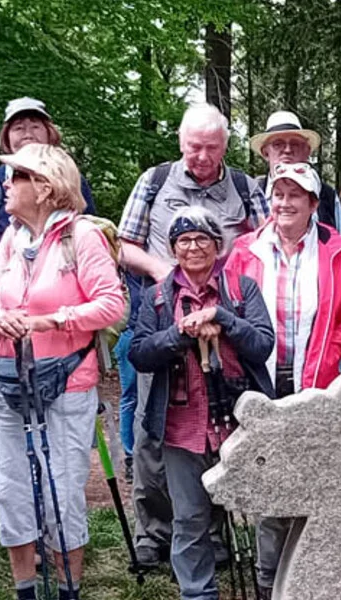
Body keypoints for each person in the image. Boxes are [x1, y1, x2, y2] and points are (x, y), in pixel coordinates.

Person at [117, 103, 270, 571]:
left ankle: (213, 532)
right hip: (162, 316)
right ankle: (155, 532)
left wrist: (224, 299)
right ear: (181, 143)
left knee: (219, 429)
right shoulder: (155, 180)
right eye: (194, 146)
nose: (202, 156)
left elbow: (265, 241)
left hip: (223, 321)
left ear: (226, 145)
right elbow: (124, 244)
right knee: (154, 429)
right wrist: (170, 274)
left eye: (212, 147)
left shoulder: (244, 187)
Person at [0, 143, 126, 600]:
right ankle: (25, 591)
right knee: (12, 493)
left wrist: (52, 319)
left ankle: (67, 591)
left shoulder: (82, 238)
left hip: (66, 384)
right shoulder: (10, 239)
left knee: (62, 494)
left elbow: (113, 304)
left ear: (44, 187)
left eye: (15, 176)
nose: (5, 184)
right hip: (8, 378)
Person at [224, 163, 341, 598]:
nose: (284, 203)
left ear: (312, 203)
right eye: (278, 194)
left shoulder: (336, 250)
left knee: (309, 484)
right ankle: (270, 583)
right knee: (269, 483)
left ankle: (305, 580)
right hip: (260, 386)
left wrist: (334, 352)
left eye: (295, 195)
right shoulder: (245, 251)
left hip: (313, 388)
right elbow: (231, 311)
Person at [129, 206, 276, 600]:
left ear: (217, 245)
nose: (193, 247)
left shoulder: (241, 289)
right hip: (182, 425)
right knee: (190, 516)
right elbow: (140, 353)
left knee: (261, 511)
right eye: (184, 240)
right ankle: (197, 593)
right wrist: (180, 334)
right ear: (173, 248)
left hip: (239, 421)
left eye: (202, 239)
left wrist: (223, 319)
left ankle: (270, 582)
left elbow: (262, 345)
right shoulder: (157, 297)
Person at [0, 97, 98, 226]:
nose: (28, 134)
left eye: (35, 127)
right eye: (19, 128)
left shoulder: (71, 180)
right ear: (6, 137)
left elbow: (90, 226)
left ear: (49, 133)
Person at [248, 111, 341, 248]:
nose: (287, 150)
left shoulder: (325, 195)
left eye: (295, 144)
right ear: (265, 152)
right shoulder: (251, 194)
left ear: (307, 151)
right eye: (278, 144)